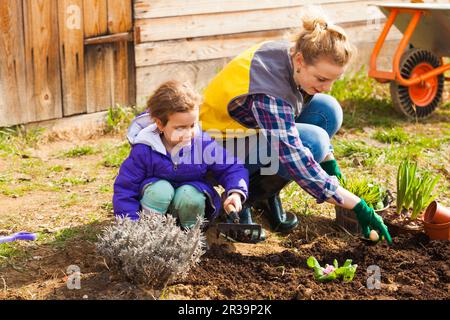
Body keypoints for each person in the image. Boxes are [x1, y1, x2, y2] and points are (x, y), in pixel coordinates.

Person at [199, 14, 392, 244]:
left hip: (250, 130)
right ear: (300, 61)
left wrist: (330, 162)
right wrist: (358, 206)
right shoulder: (271, 93)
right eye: (321, 78)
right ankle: (243, 199)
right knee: (314, 142)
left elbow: (294, 114)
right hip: (215, 147)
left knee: (328, 110)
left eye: (333, 80)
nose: (326, 87)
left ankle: (265, 195)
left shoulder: (295, 53)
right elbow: (297, 160)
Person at [113, 80, 248, 229]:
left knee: (190, 194)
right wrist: (129, 224)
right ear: (160, 124)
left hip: (188, 206)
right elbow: (125, 188)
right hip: (154, 207)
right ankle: (150, 232)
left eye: (192, 125)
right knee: (160, 190)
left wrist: (235, 193)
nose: (189, 133)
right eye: (180, 128)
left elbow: (231, 167)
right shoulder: (145, 150)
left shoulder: (201, 144)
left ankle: (190, 235)